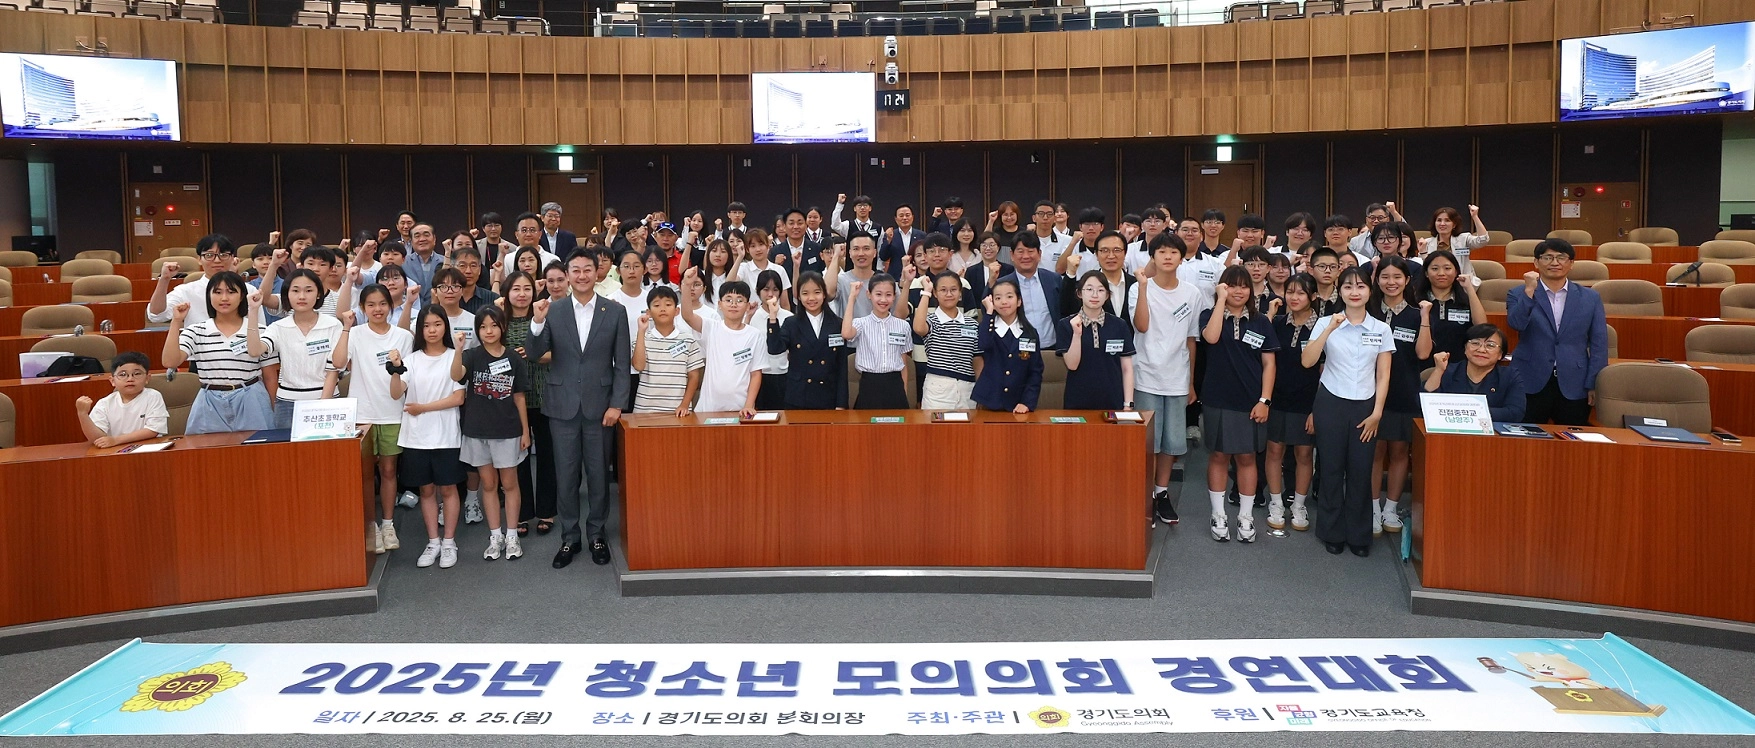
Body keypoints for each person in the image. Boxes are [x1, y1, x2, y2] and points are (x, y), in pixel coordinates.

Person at [525, 250, 631, 569]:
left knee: (598, 476)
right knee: (566, 476)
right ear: (567, 275)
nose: (582, 275)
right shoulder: (552, 310)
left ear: (597, 273)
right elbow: (534, 353)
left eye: (588, 269)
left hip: (601, 408)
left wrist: (617, 404)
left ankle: (597, 533)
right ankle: (569, 537)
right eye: (576, 270)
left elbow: (622, 364)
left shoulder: (615, 311)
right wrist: (536, 322)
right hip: (562, 407)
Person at [1302, 267, 1395, 557]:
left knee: (1360, 470)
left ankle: (1358, 534)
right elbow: (1307, 361)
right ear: (1339, 291)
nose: (1354, 292)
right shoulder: (1326, 322)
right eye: (1348, 287)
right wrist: (1330, 328)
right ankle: (1331, 531)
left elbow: (1383, 375)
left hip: (1366, 406)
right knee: (1330, 469)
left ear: (1370, 291)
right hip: (1331, 403)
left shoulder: (1381, 328)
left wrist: (1377, 413)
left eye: (1361, 286)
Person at [333, 283, 415, 555]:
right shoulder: (355, 333)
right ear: (362, 308)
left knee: (389, 471)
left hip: (392, 412)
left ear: (390, 306)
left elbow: (407, 375)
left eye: (382, 304)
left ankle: (388, 524)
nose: (377, 309)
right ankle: (371, 526)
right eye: (371, 305)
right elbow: (338, 362)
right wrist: (346, 327)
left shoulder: (403, 336)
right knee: (365, 474)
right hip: (362, 415)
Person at [1199, 266, 1278, 543]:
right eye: (1231, 285)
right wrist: (1220, 301)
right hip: (1217, 399)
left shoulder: (1261, 322)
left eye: (1244, 286)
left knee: (1247, 457)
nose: (1238, 291)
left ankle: (1246, 516)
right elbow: (1211, 338)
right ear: (1222, 288)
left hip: (1251, 402)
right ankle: (1218, 513)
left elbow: (1269, 364)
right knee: (1219, 455)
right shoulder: (1209, 315)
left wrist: (1264, 400)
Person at [1129, 233, 1202, 525]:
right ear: (1153, 257)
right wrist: (1144, 287)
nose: (1168, 256)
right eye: (1161, 252)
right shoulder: (1139, 288)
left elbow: (1191, 339)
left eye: (1173, 252)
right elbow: (1141, 326)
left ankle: (1161, 493)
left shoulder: (1192, 293)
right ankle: (1145, 494)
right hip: (1146, 375)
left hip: (1177, 377)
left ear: (1182, 258)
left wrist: (1191, 382)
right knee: (1149, 443)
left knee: (1171, 443)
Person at [452, 306, 531, 562]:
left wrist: (525, 431)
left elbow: (519, 397)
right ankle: (495, 535)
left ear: (502, 327)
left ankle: (512, 535)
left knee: (510, 484)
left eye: (494, 325)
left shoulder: (514, 358)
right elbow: (456, 375)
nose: (489, 331)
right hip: (477, 431)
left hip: (508, 430)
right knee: (488, 484)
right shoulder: (472, 355)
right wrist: (458, 349)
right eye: (483, 326)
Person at [1506, 238, 1608, 426]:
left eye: (1561, 257)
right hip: (1529, 379)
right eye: (1547, 257)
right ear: (1536, 263)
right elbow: (1516, 324)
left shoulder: (1590, 298)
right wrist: (1529, 291)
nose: (1554, 263)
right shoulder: (1518, 293)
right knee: (1526, 438)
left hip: (1574, 381)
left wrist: (1593, 382)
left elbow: (1599, 344)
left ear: (1571, 264)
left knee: (1573, 438)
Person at [394, 305, 467, 569]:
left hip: (446, 435)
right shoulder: (411, 359)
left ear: (445, 326)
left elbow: (458, 398)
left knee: (448, 489)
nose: (432, 330)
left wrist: (423, 407)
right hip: (416, 437)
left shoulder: (453, 357)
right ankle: (433, 541)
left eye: (437, 324)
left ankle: (449, 542)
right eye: (426, 326)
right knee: (426, 490)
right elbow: (396, 393)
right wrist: (395, 370)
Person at [163, 271, 275, 434]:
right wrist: (176, 321)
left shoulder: (261, 330)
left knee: (256, 447)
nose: (224, 298)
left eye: (231, 292)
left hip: (252, 398)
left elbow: (270, 376)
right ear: (209, 296)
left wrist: (272, 408)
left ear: (242, 296)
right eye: (217, 292)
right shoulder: (196, 331)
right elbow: (169, 362)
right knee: (206, 448)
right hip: (209, 400)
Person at [1366, 255, 1425, 536]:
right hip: (1370, 392)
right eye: (1385, 277)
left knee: (1400, 451)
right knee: (1375, 451)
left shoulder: (1417, 314)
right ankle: (1372, 508)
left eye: (1397, 277)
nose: (1391, 282)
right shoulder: (1367, 311)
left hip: (1404, 391)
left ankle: (1390, 508)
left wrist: (1426, 318)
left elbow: (1423, 354)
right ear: (1377, 280)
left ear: (1407, 280)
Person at [499, 271, 556, 537]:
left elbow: (559, 352)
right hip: (511, 399)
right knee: (517, 458)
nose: (522, 294)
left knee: (547, 456)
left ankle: (547, 511)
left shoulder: (545, 316)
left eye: (527, 289)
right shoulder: (500, 321)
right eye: (516, 289)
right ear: (507, 293)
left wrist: (534, 355)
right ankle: (521, 513)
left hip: (545, 395)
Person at [1265, 273, 1319, 533]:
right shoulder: (1277, 323)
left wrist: (1317, 409)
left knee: (1304, 454)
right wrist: (1269, 314)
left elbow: (1326, 370)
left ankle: (1298, 504)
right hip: (1277, 399)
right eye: (1290, 292)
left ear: (1313, 296)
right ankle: (1276, 503)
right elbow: (1262, 355)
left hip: (1307, 401)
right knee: (1274, 451)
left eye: (1301, 293)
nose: (1294, 297)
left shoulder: (1322, 326)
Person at [260, 269, 343, 429]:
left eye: (309, 290)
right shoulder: (278, 327)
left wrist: (323, 406)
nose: (302, 296)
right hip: (287, 403)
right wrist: (252, 310)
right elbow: (255, 351)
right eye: (295, 291)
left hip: (326, 400)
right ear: (287, 294)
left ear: (318, 294)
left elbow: (333, 369)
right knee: (286, 446)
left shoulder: (333, 325)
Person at [680, 274, 763, 417]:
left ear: (747, 306)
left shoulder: (755, 335)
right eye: (728, 300)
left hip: (740, 408)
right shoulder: (711, 327)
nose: (733, 304)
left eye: (739, 300)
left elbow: (756, 374)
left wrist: (749, 405)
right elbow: (687, 316)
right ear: (719, 304)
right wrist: (687, 285)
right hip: (708, 408)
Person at [765, 271, 847, 410]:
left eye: (817, 292)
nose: (811, 298)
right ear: (798, 296)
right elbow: (775, 349)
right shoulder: (791, 323)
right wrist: (773, 317)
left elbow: (842, 367)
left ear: (824, 294)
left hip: (828, 397)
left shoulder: (837, 324)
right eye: (805, 293)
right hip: (798, 397)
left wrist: (841, 403)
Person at [1057, 271, 1135, 411]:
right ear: (1079, 293)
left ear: (1107, 295)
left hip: (1113, 401)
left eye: (1100, 290)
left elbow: (1127, 368)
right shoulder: (1066, 324)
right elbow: (1072, 365)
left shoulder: (1119, 325)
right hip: (1077, 402)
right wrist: (1077, 334)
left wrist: (1128, 403)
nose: (1095, 295)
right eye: (1089, 289)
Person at [148, 234, 262, 327]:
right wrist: (164, 279)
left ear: (233, 258)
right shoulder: (186, 291)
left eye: (223, 255)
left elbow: (260, 328)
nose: (217, 260)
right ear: (199, 259)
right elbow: (156, 315)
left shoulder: (249, 291)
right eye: (209, 255)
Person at [1425, 324, 1527, 423]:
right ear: (1465, 348)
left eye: (1490, 345)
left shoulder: (1509, 376)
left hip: (1490, 433)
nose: (1481, 350)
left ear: (1500, 354)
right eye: (1475, 343)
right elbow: (1425, 405)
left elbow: (1516, 413)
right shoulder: (1449, 371)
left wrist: (1472, 412)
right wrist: (1438, 370)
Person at [840, 273, 914, 409]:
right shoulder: (861, 323)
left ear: (894, 296)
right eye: (878, 294)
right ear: (869, 294)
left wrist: (903, 392)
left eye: (888, 295)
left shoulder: (903, 325)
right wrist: (852, 298)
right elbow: (846, 334)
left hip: (895, 386)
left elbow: (903, 364)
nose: (883, 300)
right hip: (869, 386)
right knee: (866, 423)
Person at [970, 279, 1044, 413]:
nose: (1004, 302)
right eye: (998, 298)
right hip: (988, 402)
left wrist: (1027, 402)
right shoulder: (988, 327)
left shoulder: (1029, 333)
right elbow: (983, 344)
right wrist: (989, 312)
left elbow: (1035, 371)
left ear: (1019, 301)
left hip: (1018, 404)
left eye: (1009, 297)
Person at [913, 271, 981, 410]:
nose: (949, 294)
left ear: (960, 293)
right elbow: (919, 328)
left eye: (953, 289)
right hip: (938, 390)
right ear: (935, 293)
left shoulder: (972, 324)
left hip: (968, 389)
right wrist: (926, 292)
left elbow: (977, 359)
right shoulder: (931, 321)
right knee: (935, 425)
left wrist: (981, 389)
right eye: (943, 290)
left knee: (968, 425)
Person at [633, 285, 705, 415]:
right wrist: (641, 331)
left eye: (668, 304)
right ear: (648, 312)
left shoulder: (688, 340)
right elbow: (638, 366)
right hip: (644, 409)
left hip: (678, 411)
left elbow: (694, 376)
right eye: (656, 305)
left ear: (677, 311)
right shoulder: (641, 338)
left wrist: (684, 405)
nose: (663, 309)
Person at [73, 351, 167, 449]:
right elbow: (98, 439)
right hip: (116, 450)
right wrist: (83, 414)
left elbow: (153, 430)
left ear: (147, 378)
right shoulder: (104, 403)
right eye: (122, 375)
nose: (130, 379)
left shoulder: (153, 396)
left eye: (137, 373)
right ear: (112, 381)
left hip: (149, 448)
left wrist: (116, 440)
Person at [1418, 249, 1485, 362]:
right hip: (1424, 367)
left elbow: (1482, 327)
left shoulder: (1465, 301)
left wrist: (1469, 288)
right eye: (1435, 269)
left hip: (1460, 366)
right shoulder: (1417, 302)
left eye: (1447, 268)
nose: (1441, 273)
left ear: (1456, 272)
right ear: (1426, 273)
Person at [1001, 233, 1062, 351]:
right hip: (1016, 350)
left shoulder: (1053, 280)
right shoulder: (1003, 285)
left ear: (1039, 254)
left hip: (1052, 348)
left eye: (1030, 251)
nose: (1026, 256)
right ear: (1012, 255)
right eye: (1020, 251)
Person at [749, 270, 794, 410]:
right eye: (766, 289)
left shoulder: (789, 317)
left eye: (775, 289)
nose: (770, 294)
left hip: (785, 376)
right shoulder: (752, 316)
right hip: (760, 377)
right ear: (758, 291)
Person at [1420, 205, 1488, 276]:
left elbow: (1483, 240)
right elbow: (1425, 270)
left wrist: (1475, 216)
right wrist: (1423, 253)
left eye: (1447, 220)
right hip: (1437, 279)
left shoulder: (1463, 239)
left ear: (1454, 225)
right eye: (1439, 220)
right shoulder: (1426, 243)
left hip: (1462, 280)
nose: (1442, 224)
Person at [402, 224, 446, 304]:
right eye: (417, 236)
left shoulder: (445, 261)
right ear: (411, 241)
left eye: (426, 235)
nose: (422, 239)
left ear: (434, 239)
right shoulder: (403, 262)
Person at [964, 231, 1012, 303]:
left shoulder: (1008, 269)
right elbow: (968, 296)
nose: (988, 248)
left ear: (998, 248)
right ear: (979, 248)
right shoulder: (971, 271)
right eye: (984, 245)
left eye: (992, 245)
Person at [879, 204, 926, 279]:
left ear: (912, 217)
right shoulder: (890, 235)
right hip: (896, 276)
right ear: (896, 219)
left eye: (907, 215)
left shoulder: (922, 235)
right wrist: (888, 241)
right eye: (901, 216)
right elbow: (883, 257)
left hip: (917, 275)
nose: (904, 218)